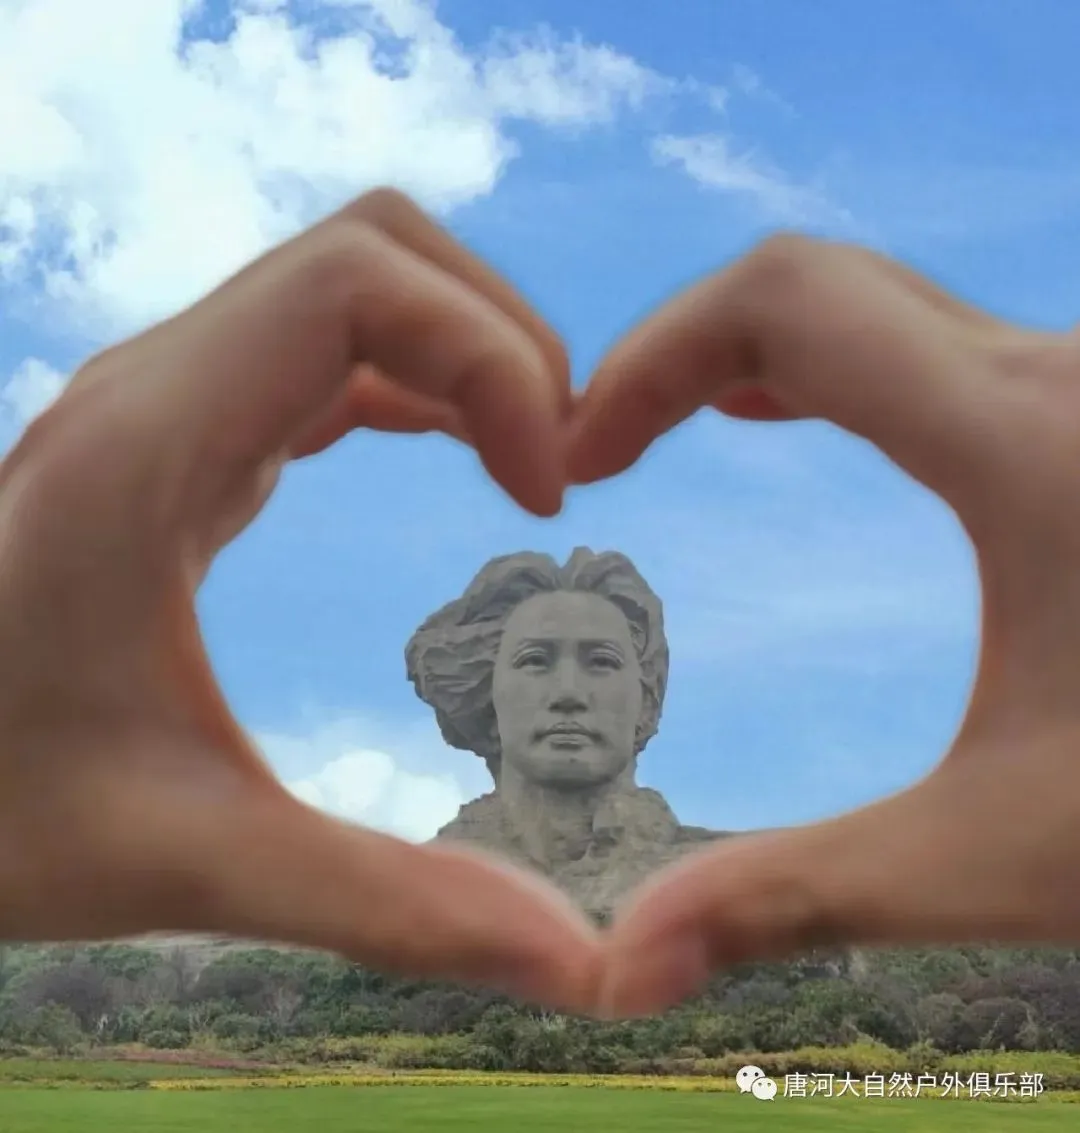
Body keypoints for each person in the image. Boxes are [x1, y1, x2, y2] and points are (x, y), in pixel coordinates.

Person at [1, 189, 1078, 1021]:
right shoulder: (404, 879)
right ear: (482, 693)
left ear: (646, 696)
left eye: (603, 662)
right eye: (536, 660)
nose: (569, 689)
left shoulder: (729, 870)